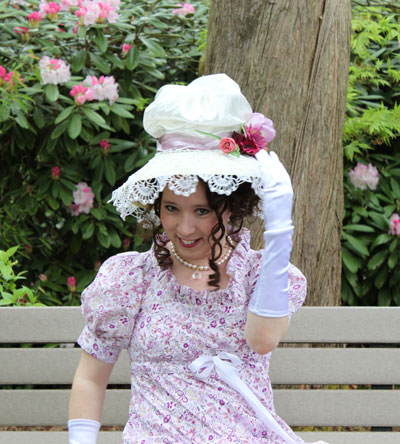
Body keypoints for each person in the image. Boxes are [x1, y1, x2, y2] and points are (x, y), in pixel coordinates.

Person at [68, 74, 328, 444]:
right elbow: (91, 379)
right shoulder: (131, 280)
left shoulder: (259, 274)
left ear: (231, 206)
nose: (184, 227)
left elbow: (262, 341)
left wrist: (279, 230)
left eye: (202, 211)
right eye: (171, 208)